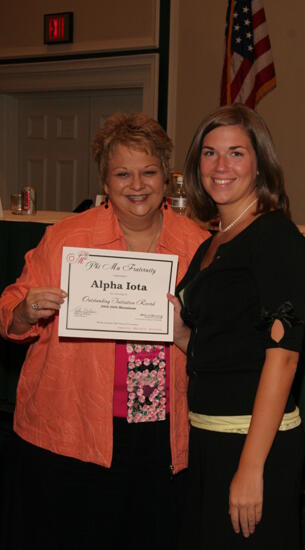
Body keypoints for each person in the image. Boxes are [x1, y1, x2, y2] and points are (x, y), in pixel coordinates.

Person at [0, 112, 208, 550]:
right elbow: (9, 313)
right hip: (71, 428)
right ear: (105, 182)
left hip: (160, 434)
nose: (137, 185)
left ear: (165, 179)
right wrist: (26, 310)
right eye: (123, 173)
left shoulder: (196, 245)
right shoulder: (66, 238)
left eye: (149, 171)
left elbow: (219, 339)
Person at [168, 104, 305, 549]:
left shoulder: (275, 237)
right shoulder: (213, 242)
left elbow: (284, 358)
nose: (220, 166)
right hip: (208, 438)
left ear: (259, 163)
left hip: (255, 444)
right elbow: (218, 344)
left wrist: (251, 467)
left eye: (236, 153)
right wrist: (172, 325)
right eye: (209, 153)